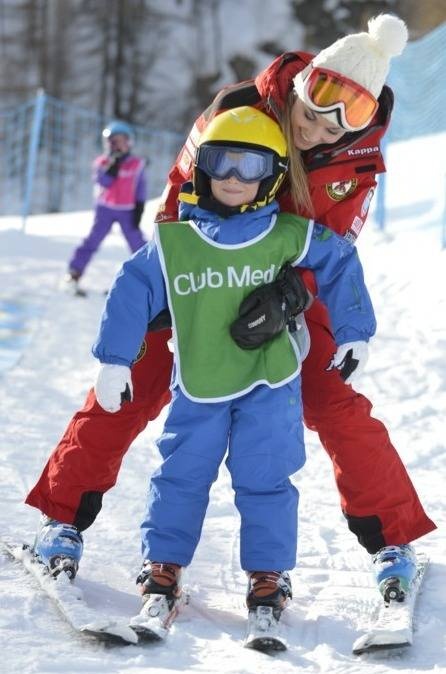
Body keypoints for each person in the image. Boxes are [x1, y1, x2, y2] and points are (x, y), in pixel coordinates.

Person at [26, 14, 435, 588]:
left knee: (333, 400)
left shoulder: (358, 158)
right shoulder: (236, 108)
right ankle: (60, 518)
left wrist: (292, 294)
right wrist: (176, 287)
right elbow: (180, 192)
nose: (317, 132)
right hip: (202, 272)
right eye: (310, 114)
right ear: (302, 84)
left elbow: (334, 248)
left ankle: (393, 543)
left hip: (286, 288)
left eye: (336, 126)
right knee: (131, 383)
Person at [91, 107, 378, 629]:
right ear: (203, 168)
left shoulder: (286, 232)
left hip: (271, 385)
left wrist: (355, 330)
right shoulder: (174, 242)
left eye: (251, 168)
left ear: (271, 177)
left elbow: (339, 261)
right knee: (180, 474)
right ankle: (163, 565)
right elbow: (130, 291)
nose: (233, 178)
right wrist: (114, 361)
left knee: (266, 477)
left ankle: (268, 574)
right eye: (223, 163)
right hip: (199, 385)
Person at [65, 120, 147, 296]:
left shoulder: (136, 164)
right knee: (92, 240)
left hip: (128, 210)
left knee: (137, 243)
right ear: (107, 144)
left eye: (122, 141)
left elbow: (140, 187)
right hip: (105, 209)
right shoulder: (101, 162)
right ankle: (74, 273)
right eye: (113, 141)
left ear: (129, 142)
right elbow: (103, 182)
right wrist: (113, 165)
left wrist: (139, 208)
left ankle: (148, 275)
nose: (118, 145)